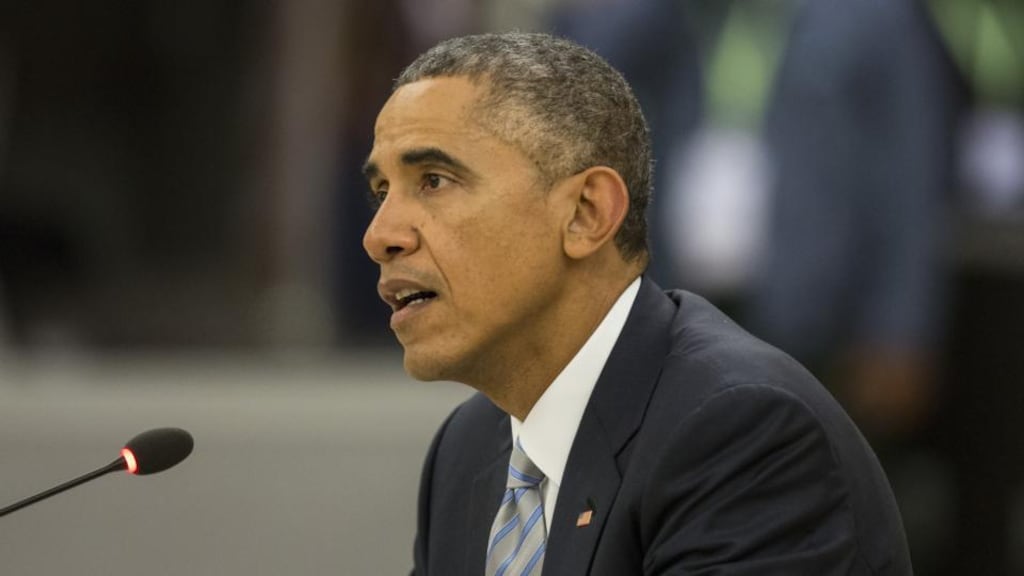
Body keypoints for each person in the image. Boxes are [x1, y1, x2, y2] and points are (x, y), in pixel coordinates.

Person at [361, 32, 912, 575]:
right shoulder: (467, 449)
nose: (379, 235)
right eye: (381, 192)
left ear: (587, 214)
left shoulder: (738, 432)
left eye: (433, 180)